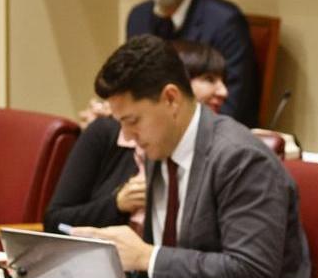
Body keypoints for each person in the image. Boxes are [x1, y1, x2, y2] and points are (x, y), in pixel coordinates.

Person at [72, 35, 310, 278]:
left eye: (133, 120)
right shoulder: (162, 145)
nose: (127, 136)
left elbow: (252, 272)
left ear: (171, 99)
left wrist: (147, 257)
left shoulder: (241, 158)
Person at [46, 41, 230, 232]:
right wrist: (117, 204)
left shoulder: (223, 151)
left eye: (133, 120)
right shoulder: (105, 131)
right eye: (209, 79)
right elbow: (55, 220)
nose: (224, 92)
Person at [126, 0, 259, 127]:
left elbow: (232, 110)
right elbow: (133, 91)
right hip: (148, 134)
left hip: (207, 137)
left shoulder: (225, 22)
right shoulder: (138, 18)